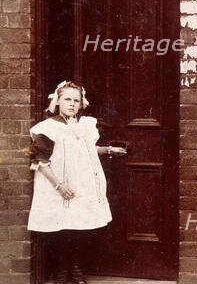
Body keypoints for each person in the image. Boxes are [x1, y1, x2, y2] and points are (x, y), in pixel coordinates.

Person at [27, 81, 126, 284]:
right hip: (57, 185)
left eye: (76, 100)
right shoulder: (48, 127)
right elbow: (40, 161)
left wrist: (108, 150)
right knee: (61, 227)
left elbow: (88, 149)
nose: (72, 104)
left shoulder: (84, 125)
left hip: (81, 183)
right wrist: (59, 186)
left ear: (81, 104)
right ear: (58, 100)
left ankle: (76, 268)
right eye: (67, 99)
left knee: (78, 225)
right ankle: (62, 270)